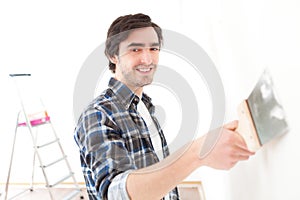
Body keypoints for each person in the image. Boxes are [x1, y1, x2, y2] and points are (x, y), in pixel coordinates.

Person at [74, 13, 254, 200]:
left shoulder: (145, 107)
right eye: (135, 50)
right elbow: (116, 195)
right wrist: (198, 153)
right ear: (113, 56)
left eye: (153, 48)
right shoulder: (97, 114)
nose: (147, 59)